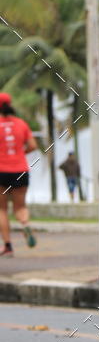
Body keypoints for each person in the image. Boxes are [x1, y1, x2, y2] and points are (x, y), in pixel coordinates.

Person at [0, 92, 38, 256]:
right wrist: (19, 153)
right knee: (20, 206)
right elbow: (33, 145)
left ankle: (8, 246)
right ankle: (25, 224)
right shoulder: (21, 124)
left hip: (1, 171)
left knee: (2, 209)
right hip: (21, 170)